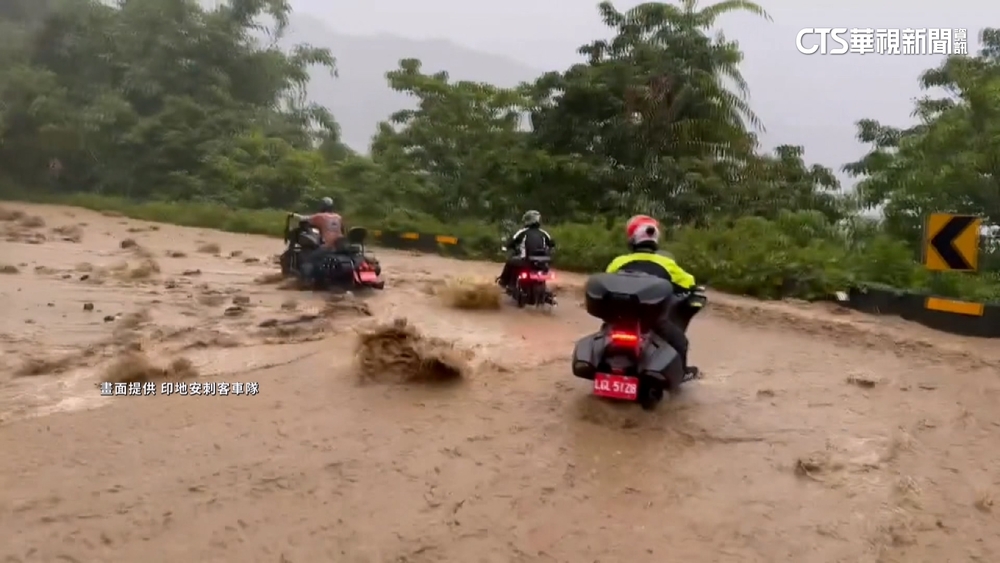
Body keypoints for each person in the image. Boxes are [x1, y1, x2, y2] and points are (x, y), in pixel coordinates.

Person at [604, 214, 699, 379]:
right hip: (653, 321)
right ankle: (682, 374)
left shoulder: (618, 262)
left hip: (619, 318)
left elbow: (606, 281)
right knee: (680, 342)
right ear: (655, 239)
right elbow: (689, 283)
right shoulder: (666, 263)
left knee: (604, 334)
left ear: (632, 239)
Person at [497, 210, 556, 288]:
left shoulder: (523, 232)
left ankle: (504, 282)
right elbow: (552, 245)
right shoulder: (544, 233)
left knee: (510, 262)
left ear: (528, 220)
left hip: (525, 262)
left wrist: (505, 247)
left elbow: (512, 242)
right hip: (542, 264)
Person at [295, 196, 344, 284]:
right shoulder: (338, 217)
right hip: (339, 246)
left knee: (308, 260)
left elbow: (305, 219)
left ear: (322, 206)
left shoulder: (320, 216)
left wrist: (295, 216)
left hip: (328, 246)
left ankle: (305, 282)